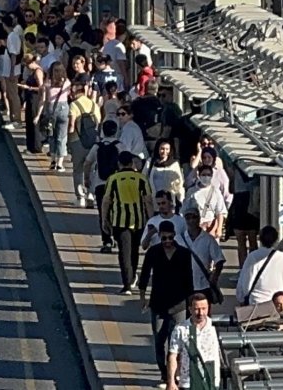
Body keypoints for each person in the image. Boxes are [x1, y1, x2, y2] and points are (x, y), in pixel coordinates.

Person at [139, 221, 196, 379]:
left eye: (170, 237)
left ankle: (174, 374)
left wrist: (191, 303)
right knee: (159, 340)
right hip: (158, 303)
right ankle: (164, 371)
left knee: (176, 340)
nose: (167, 241)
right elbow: (144, 275)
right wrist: (142, 297)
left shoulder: (184, 254)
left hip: (179, 305)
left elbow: (189, 280)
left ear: (174, 235)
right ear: (159, 236)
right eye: (164, 238)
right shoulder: (153, 252)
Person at [105, 152, 151, 293]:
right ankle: (131, 279)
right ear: (132, 163)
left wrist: (105, 219)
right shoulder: (141, 179)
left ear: (119, 164)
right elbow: (148, 200)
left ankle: (127, 285)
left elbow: (107, 201)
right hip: (138, 221)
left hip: (120, 221)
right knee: (134, 251)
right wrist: (150, 219)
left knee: (124, 253)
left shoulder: (113, 179)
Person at [165, 292, 221, 390]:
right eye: (196, 309)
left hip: (211, 381)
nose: (201, 313)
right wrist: (171, 381)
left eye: (204, 309)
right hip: (188, 383)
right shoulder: (180, 329)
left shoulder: (215, 327)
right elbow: (173, 355)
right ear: (190, 309)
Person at [236, 226, 283, 307]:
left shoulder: (253, 257)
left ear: (260, 239)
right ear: (276, 240)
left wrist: (241, 299)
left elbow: (245, 285)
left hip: (257, 304)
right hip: (278, 305)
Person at [85, 118, 123, 233]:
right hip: (117, 183)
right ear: (116, 131)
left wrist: (86, 178)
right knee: (116, 210)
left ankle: (106, 240)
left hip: (99, 182)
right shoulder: (120, 146)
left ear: (103, 131)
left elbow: (87, 163)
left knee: (103, 211)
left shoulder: (97, 146)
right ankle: (116, 235)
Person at [182, 207, 226, 305]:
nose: (191, 220)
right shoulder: (179, 239)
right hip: (184, 285)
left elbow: (219, 260)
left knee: (204, 316)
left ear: (199, 219)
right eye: (188, 218)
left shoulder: (208, 239)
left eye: (194, 217)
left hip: (204, 285)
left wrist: (215, 276)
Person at [68, 79, 101, 205]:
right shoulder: (94, 105)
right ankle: (91, 195)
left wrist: (68, 142)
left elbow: (71, 125)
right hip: (93, 141)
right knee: (92, 168)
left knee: (78, 169)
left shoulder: (74, 105)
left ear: (76, 92)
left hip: (77, 141)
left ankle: (80, 197)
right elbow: (98, 123)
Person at [43, 61, 71, 171]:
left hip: (51, 109)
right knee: (62, 137)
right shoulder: (67, 82)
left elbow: (45, 99)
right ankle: (60, 163)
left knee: (51, 136)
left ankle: (53, 160)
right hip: (64, 108)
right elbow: (68, 94)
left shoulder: (48, 83)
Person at [17, 51, 45, 155]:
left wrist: (29, 87)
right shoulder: (32, 72)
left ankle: (36, 147)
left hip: (35, 98)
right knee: (29, 122)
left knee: (34, 123)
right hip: (30, 98)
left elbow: (41, 88)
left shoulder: (38, 72)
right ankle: (30, 146)